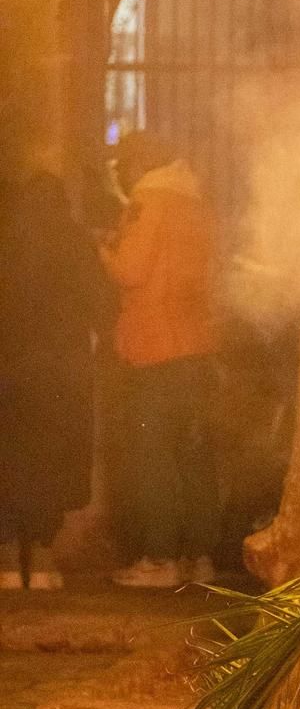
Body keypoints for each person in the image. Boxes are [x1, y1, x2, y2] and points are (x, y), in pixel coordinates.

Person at [101, 132, 219, 587]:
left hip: (154, 349)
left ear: (138, 163)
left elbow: (131, 269)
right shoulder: (197, 203)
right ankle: (199, 557)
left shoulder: (149, 200)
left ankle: (160, 559)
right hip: (198, 347)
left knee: (154, 457)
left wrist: (103, 248)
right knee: (194, 456)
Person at [0, 170, 105, 590]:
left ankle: (8, 557)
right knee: (52, 461)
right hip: (62, 371)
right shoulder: (75, 241)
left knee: (10, 457)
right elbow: (98, 300)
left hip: (11, 368)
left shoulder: (7, 241)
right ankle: (43, 555)